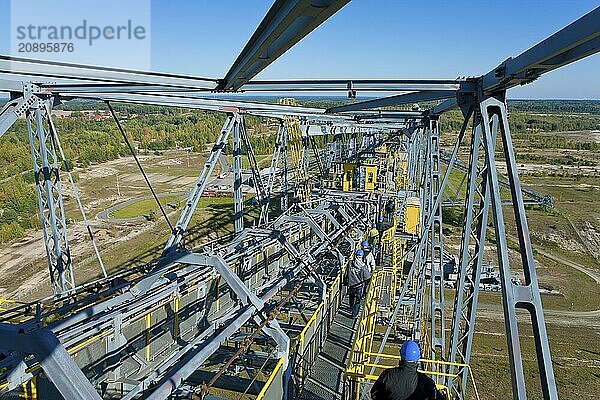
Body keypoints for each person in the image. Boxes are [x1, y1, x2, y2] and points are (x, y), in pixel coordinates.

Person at [371, 341, 438, 400]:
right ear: (417, 358)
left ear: (401, 355)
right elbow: (434, 396)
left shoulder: (388, 375)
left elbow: (374, 394)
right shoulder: (426, 381)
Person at [346, 249, 371, 318]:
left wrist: (345, 281)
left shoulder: (350, 263)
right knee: (358, 300)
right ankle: (354, 314)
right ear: (362, 257)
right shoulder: (363, 266)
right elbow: (367, 277)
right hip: (359, 285)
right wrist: (366, 285)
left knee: (351, 297)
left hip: (351, 284)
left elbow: (346, 273)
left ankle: (351, 307)